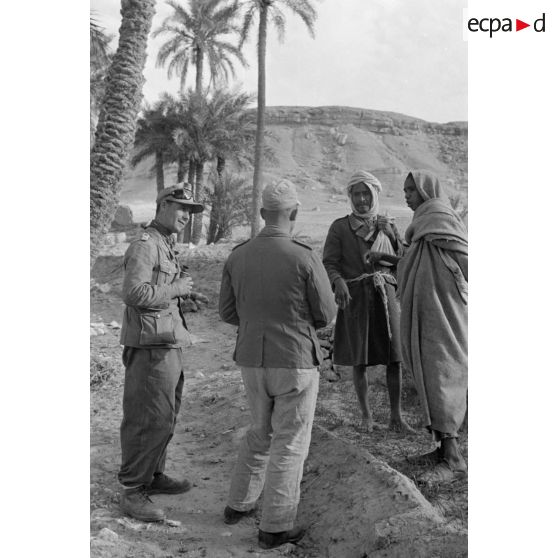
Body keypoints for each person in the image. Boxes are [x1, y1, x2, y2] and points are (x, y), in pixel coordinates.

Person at [219, 179, 336, 550]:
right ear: (295, 213)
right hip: (295, 359)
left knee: (258, 432)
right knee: (290, 443)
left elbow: (226, 312)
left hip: (252, 360)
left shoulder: (238, 255)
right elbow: (327, 314)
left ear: (261, 214)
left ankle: (238, 505)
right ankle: (275, 526)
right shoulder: (304, 256)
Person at [368, 170, 468, 482]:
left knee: (442, 373)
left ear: (426, 191)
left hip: (445, 314)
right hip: (424, 314)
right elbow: (411, 261)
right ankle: (441, 448)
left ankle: (453, 458)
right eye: (405, 190)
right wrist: (383, 256)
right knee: (428, 372)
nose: (407, 195)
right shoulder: (421, 225)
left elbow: (465, 259)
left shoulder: (440, 218)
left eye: (411, 190)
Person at [118, 183, 208, 521]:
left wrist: (183, 297)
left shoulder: (163, 244)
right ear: (164, 205)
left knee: (165, 415)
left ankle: (153, 475)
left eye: (191, 211)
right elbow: (133, 292)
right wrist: (176, 288)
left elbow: (159, 294)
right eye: (183, 209)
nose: (187, 216)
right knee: (146, 418)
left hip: (167, 342)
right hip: (150, 349)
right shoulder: (145, 246)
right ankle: (132, 490)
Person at [322, 170, 413, 433]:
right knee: (359, 360)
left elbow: (401, 259)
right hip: (355, 298)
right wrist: (337, 281)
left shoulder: (388, 224)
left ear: (375, 195)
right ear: (350, 196)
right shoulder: (340, 227)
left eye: (366, 193)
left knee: (394, 358)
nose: (362, 199)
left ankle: (396, 417)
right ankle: (366, 416)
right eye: (356, 194)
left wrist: (392, 235)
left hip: (385, 295)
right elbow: (330, 262)